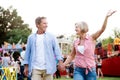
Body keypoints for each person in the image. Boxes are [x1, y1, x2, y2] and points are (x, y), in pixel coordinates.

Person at [62, 10, 116, 80]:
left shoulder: (91, 38)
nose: (75, 29)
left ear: (82, 28)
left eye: (76, 27)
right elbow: (72, 55)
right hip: (78, 70)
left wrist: (106, 17)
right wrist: (63, 64)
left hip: (90, 70)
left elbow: (102, 29)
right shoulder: (75, 41)